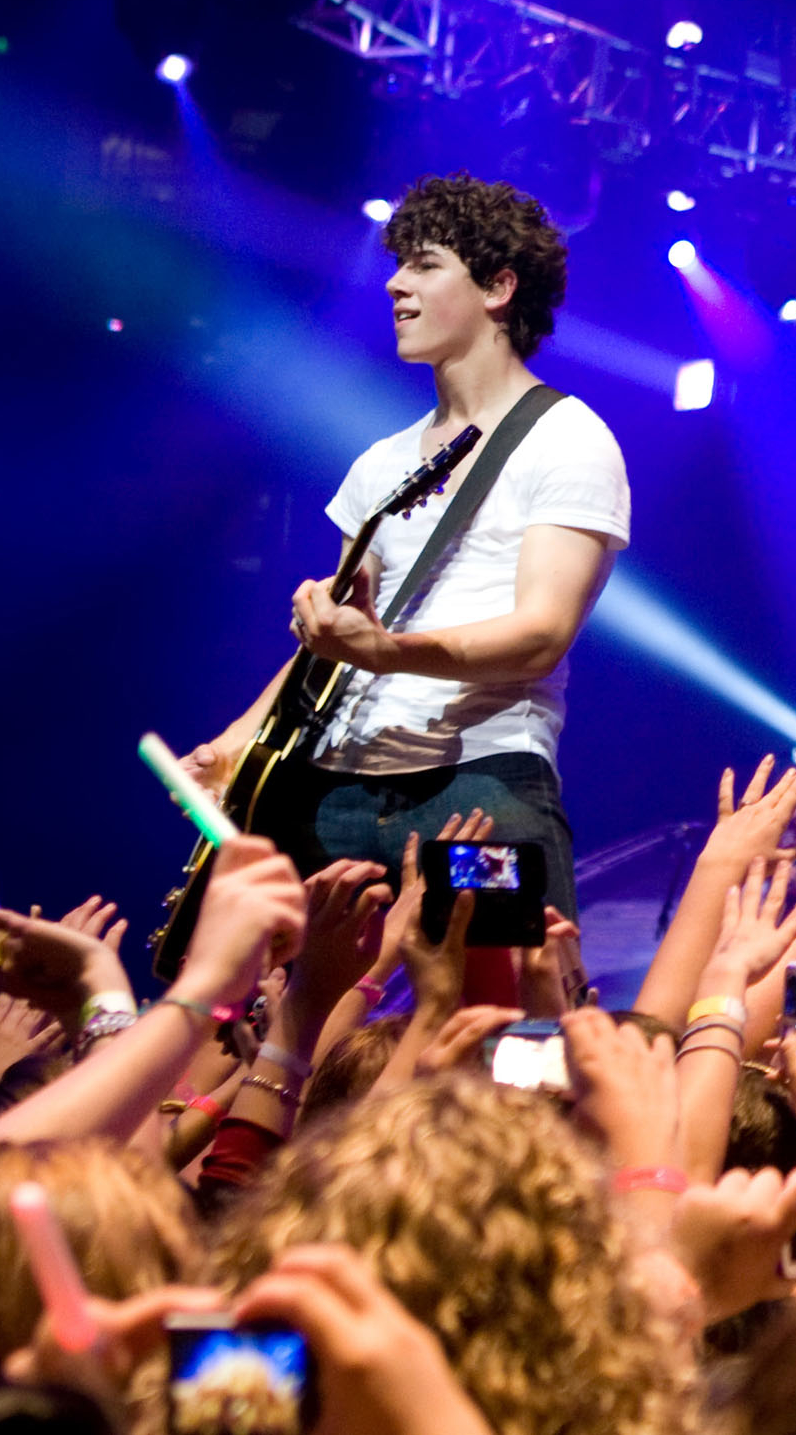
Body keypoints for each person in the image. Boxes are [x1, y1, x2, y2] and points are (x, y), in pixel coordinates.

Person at [187, 175, 629, 921]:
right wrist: (241, 736)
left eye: (424, 265)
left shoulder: (569, 437)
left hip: (480, 790)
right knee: (298, 1025)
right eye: (398, 265)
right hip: (331, 795)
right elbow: (335, 642)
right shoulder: (379, 463)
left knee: (496, 1018)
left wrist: (384, 650)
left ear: (498, 287)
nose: (394, 283)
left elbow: (540, 638)